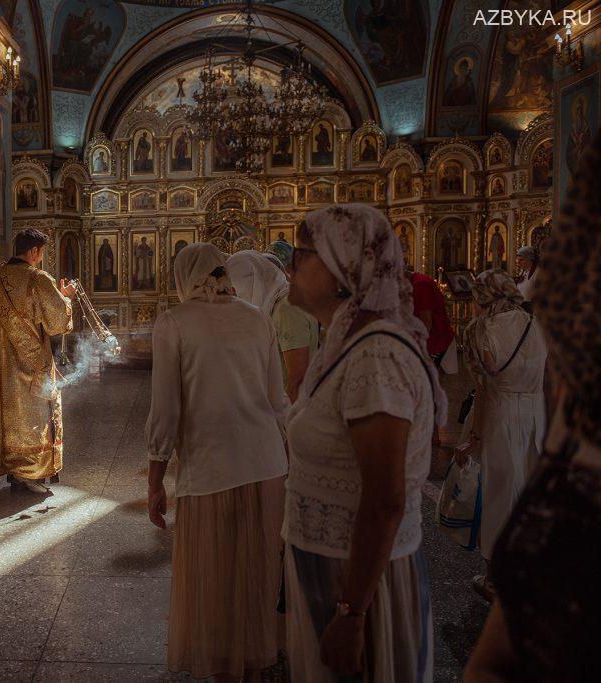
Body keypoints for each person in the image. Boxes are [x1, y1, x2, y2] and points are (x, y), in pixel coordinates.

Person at [282, 204, 446, 682]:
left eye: (302, 254)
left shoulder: (376, 355)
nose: (290, 266)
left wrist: (353, 614)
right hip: (333, 569)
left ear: (343, 270)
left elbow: (384, 499)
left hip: (360, 585)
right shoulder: (345, 342)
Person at [464, 129, 601, 683]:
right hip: (530, 413)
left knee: (503, 481)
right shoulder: (581, 418)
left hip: (506, 411)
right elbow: (501, 654)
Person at [146, 242, 290, 681]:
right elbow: (278, 402)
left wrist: (155, 481)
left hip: (211, 469)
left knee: (213, 580)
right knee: (257, 574)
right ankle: (252, 662)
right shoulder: (257, 317)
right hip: (268, 466)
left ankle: (224, 668)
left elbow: (166, 410)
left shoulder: (174, 323)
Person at [456, 270, 547, 598]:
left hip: (501, 416)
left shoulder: (480, 330)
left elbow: (483, 390)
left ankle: (494, 578)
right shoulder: (537, 325)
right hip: (538, 415)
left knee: (500, 494)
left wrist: (474, 438)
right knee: (529, 492)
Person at [0, 229, 75, 494]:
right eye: (40, 254)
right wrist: (66, 298)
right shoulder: (38, 279)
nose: (40, 259)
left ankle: (14, 472)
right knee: (33, 417)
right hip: (31, 364)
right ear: (33, 252)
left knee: (8, 417)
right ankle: (31, 473)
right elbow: (57, 323)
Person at [227, 249, 316, 401]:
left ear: (255, 281)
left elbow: (298, 378)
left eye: (239, 291)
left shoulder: (287, 308)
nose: (239, 298)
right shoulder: (276, 303)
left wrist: (286, 419)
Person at [408, 268, 455, 365]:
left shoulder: (420, 285)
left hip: (435, 343)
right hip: (432, 341)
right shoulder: (416, 282)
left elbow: (426, 323)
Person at [514, 245, 539, 310]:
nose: (518, 262)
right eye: (518, 260)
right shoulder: (522, 273)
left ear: (530, 259)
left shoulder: (537, 273)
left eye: (521, 260)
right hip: (521, 309)